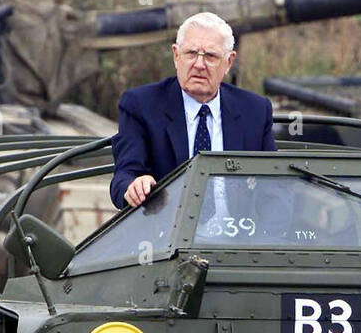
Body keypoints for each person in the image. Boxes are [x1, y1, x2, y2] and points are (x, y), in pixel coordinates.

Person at [108, 12, 277, 210]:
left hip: (236, 236)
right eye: (191, 53)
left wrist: (268, 239)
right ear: (176, 55)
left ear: (229, 62)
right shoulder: (141, 105)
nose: (199, 65)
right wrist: (133, 186)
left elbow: (274, 188)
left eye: (211, 56)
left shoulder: (255, 111)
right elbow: (124, 176)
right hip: (165, 235)